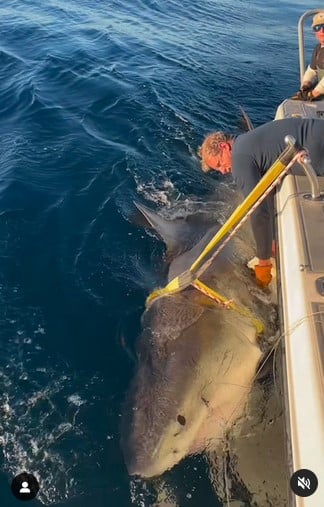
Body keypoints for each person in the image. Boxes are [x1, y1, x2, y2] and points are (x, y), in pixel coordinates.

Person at [199, 118, 324, 287]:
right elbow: (267, 189)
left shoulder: (239, 158)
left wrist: (264, 260)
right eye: (218, 169)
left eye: (220, 164)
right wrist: (270, 239)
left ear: (224, 147)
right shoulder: (247, 141)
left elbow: (258, 210)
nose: (223, 171)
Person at [292, 11, 324, 101]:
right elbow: (312, 70)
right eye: (317, 27)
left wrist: (313, 93)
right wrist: (306, 85)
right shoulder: (318, 49)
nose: (322, 31)